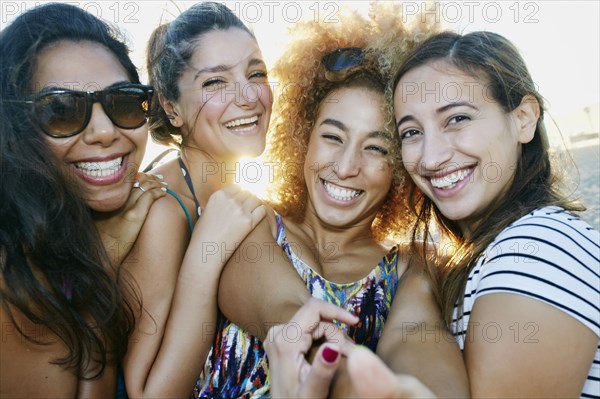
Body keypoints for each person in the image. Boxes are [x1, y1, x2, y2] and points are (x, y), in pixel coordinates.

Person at [212, 5, 468, 397]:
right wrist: (346, 377)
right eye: (333, 137)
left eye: (377, 149)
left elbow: (418, 338)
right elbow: (282, 311)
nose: (347, 167)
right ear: (303, 139)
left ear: (401, 168)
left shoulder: (411, 266)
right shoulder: (250, 221)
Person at [392, 30, 599, 398]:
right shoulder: (490, 255)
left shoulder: (539, 249)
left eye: (456, 119)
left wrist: (416, 283)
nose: (431, 157)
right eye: (411, 131)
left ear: (523, 119)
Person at [0, 3, 166, 397]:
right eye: (61, 110)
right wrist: (104, 261)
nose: (105, 132)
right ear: (15, 131)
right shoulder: (13, 283)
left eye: (124, 102)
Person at [119, 2, 270, 397]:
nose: (248, 96)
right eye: (215, 82)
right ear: (171, 108)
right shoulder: (163, 211)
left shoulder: (233, 200)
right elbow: (145, 393)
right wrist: (206, 254)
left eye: (256, 73)